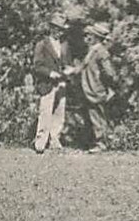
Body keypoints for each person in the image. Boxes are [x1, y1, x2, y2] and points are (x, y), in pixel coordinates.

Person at [31, 11, 75, 153]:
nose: (59, 32)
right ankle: (40, 143)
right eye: (56, 28)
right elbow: (37, 66)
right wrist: (50, 74)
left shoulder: (64, 45)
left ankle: (54, 140)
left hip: (61, 82)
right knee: (45, 112)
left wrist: (69, 69)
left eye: (61, 29)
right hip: (47, 83)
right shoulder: (42, 44)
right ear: (50, 28)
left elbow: (66, 62)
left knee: (59, 112)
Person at [76, 20, 118, 152]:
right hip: (90, 89)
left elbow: (110, 73)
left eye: (90, 36)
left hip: (96, 89)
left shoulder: (101, 52)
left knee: (98, 116)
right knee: (95, 115)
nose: (87, 38)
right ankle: (101, 141)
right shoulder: (92, 51)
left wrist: (109, 87)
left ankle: (102, 143)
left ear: (96, 38)